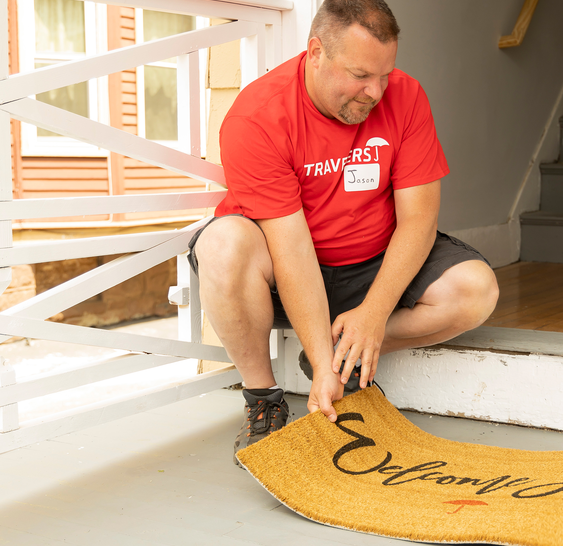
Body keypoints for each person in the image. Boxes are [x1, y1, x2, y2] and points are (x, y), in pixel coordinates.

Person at [186, 0, 499, 464]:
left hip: (372, 263)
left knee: (476, 292)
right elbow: (291, 249)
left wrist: (373, 314)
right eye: (359, 75)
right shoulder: (257, 117)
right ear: (315, 53)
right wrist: (317, 335)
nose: (374, 91)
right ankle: (263, 399)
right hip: (284, 268)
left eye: (384, 75)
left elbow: (418, 220)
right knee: (222, 243)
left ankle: (338, 357)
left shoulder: (406, 96)